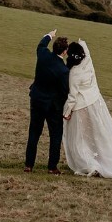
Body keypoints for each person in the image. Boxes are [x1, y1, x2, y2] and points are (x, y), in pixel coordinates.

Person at [63, 39, 112, 179]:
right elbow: (86, 49)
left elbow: (73, 96)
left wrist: (66, 112)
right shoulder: (88, 62)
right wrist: (82, 42)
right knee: (98, 134)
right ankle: (103, 159)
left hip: (81, 107)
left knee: (81, 139)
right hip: (95, 102)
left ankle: (91, 164)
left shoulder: (74, 73)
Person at [24, 29, 69, 175]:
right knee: (55, 135)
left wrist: (50, 35)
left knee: (34, 133)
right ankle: (52, 167)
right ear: (64, 52)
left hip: (37, 100)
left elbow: (41, 44)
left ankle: (29, 165)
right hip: (53, 106)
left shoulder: (43, 55)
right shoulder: (63, 70)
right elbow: (64, 92)